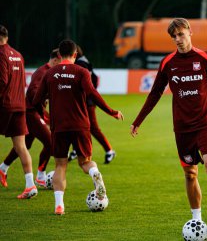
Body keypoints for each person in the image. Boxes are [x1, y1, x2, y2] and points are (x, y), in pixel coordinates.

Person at [130, 18, 207, 234]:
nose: (177, 39)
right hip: (183, 129)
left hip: (206, 125)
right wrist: (138, 121)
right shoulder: (168, 63)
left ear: (190, 32)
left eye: (180, 34)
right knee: (190, 174)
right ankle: (196, 219)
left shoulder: (205, 58)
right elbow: (155, 93)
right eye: (174, 36)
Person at [33, 39, 123, 215]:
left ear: (59, 55)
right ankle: (95, 173)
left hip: (59, 126)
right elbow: (93, 94)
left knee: (60, 166)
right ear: (75, 54)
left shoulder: (50, 74)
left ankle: (59, 206)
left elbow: (36, 100)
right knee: (85, 162)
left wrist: (45, 116)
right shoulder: (81, 71)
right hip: (80, 125)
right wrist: (111, 111)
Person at [0, 49, 60, 188]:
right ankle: (40, 176)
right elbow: (33, 92)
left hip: (32, 111)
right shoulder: (42, 72)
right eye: (61, 61)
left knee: (24, 145)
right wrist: (43, 108)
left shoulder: (49, 72)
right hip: (31, 112)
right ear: (55, 59)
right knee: (51, 142)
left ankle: (3, 168)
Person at [0, 25, 37, 198]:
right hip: (19, 105)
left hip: (4, 105)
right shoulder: (18, 55)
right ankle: (30, 185)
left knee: (21, 146)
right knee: (21, 147)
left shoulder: (1, 54)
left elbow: (2, 81)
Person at [68, 45, 116, 164]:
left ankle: (109, 150)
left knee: (92, 128)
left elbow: (88, 83)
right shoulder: (84, 61)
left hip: (87, 101)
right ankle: (75, 150)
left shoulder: (80, 64)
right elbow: (95, 79)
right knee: (77, 126)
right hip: (87, 100)